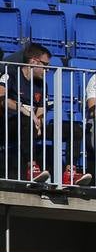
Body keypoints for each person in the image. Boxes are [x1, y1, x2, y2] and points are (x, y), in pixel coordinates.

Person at [1, 42, 90, 187]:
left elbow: (41, 110)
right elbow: (2, 99)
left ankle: (70, 173)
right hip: (9, 126)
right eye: (45, 65)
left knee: (74, 129)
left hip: (32, 127)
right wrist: (24, 110)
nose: (47, 69)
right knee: (26, 120)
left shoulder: (42, 84)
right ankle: (32, 169)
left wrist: (40, 123)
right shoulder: (11, 74)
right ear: (33, 61)